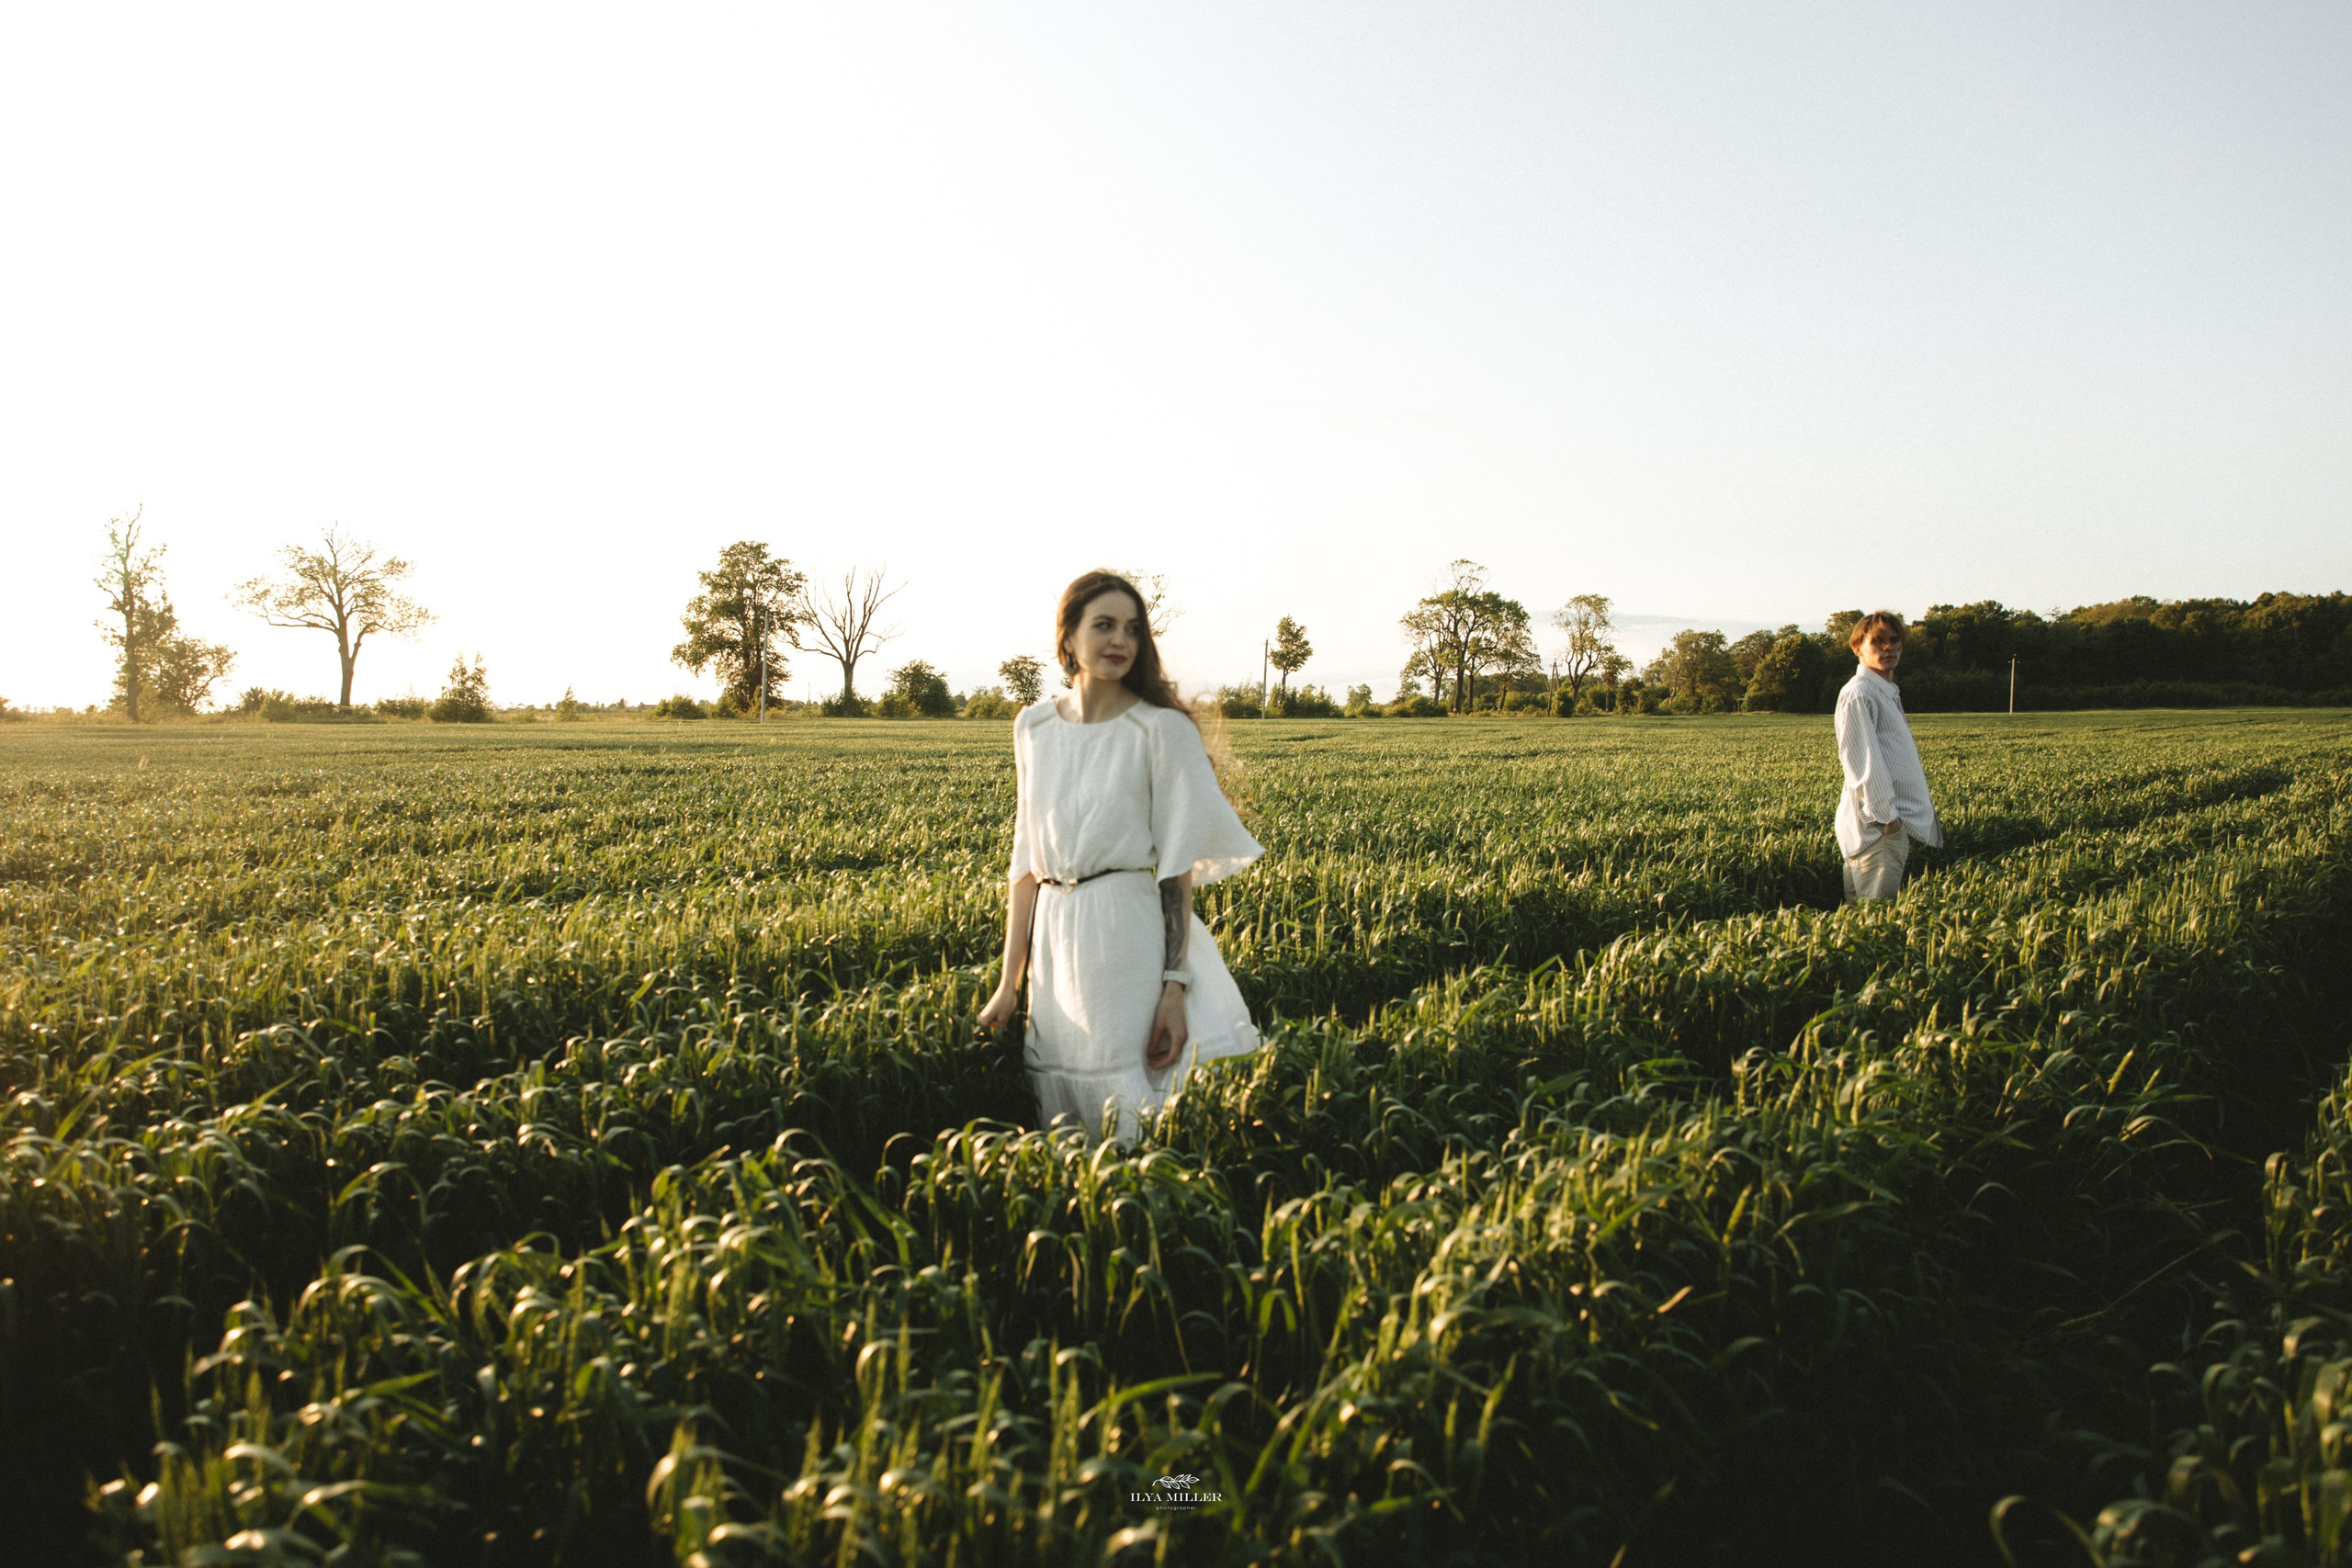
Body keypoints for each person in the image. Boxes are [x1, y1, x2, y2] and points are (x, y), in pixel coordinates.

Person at [976, 570, 1265, 1139]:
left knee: (1141, 1112)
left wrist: (1174, 989)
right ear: (1068, 639)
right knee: (1067, 1122)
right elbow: (1024, 864)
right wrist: (1009, 984)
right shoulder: (1032, 726)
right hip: (1056, 946)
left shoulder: (1159, 731)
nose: (1120, 641)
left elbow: (1176, 872)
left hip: (1127, 938)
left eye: (1132, 629)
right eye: (1103, 625)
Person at [1834, 609, 1942, 901]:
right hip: (1877, 832)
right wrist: (1888, 822)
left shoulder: (1883, 690)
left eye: (1894, 640)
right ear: (1858, 648)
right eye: (1878, 641)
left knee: (1860, 924)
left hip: (1877, 829)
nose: (1888, 647)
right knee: (1875, 923)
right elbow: (1864, 765)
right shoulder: (1860, 693)